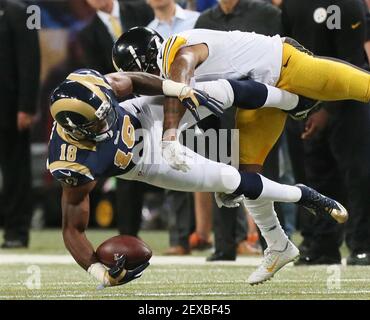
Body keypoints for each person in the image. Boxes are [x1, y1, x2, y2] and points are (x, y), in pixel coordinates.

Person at [112, 25, 370, 284]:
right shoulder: (175, 75)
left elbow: (182, 66)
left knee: (365, 86)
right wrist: (221, 173)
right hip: (259, 97)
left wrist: (170, 136)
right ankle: (278, 245)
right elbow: (207, 112)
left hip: (287, 64)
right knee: (249, 178)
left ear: (144, 63)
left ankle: (295, 102)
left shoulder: (175, 53)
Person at [47, 68, 347, 287]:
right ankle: (304, 195)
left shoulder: (93, 89)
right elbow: (72, 229)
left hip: (140, 113)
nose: (107, 117)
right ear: (78, 130)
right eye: (99, 121)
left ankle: (295, 102)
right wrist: (98, 271)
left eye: (105, 110)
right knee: (229, 180)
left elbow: (135, 80)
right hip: (146, 163)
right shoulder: (73, 164)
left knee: (218, 89)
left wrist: (174, 89)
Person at [282, 0, 370, 265]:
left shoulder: (348, 4)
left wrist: (326, 109)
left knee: (358, 174)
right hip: (304, 101)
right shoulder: (291, 4)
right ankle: (321, 244)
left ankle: (362, 244)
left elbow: (352, 59)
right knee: (312, 175)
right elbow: (283, 51)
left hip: (350, 101)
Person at [194, 0, 282, 261]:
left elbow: (282, 56)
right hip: (219, 109)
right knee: (221, 177)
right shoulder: (204, 21)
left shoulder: (268, 15)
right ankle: (224, 246)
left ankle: (274, 243)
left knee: (267, 176)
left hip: (260, 109)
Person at [79, 0, 154, 237]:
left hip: (159, 96)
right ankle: (128, 235)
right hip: (122, 109)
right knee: (127, 168)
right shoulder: (88, 33)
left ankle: (185, 234)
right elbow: (97, 78)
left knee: (179, 158)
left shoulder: (141, 10)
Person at [0, 0, 40, 248]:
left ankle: (16, 232)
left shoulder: (19, 12)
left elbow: (30, 61)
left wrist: (26, 106)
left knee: (15, 173)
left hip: (9, 109)